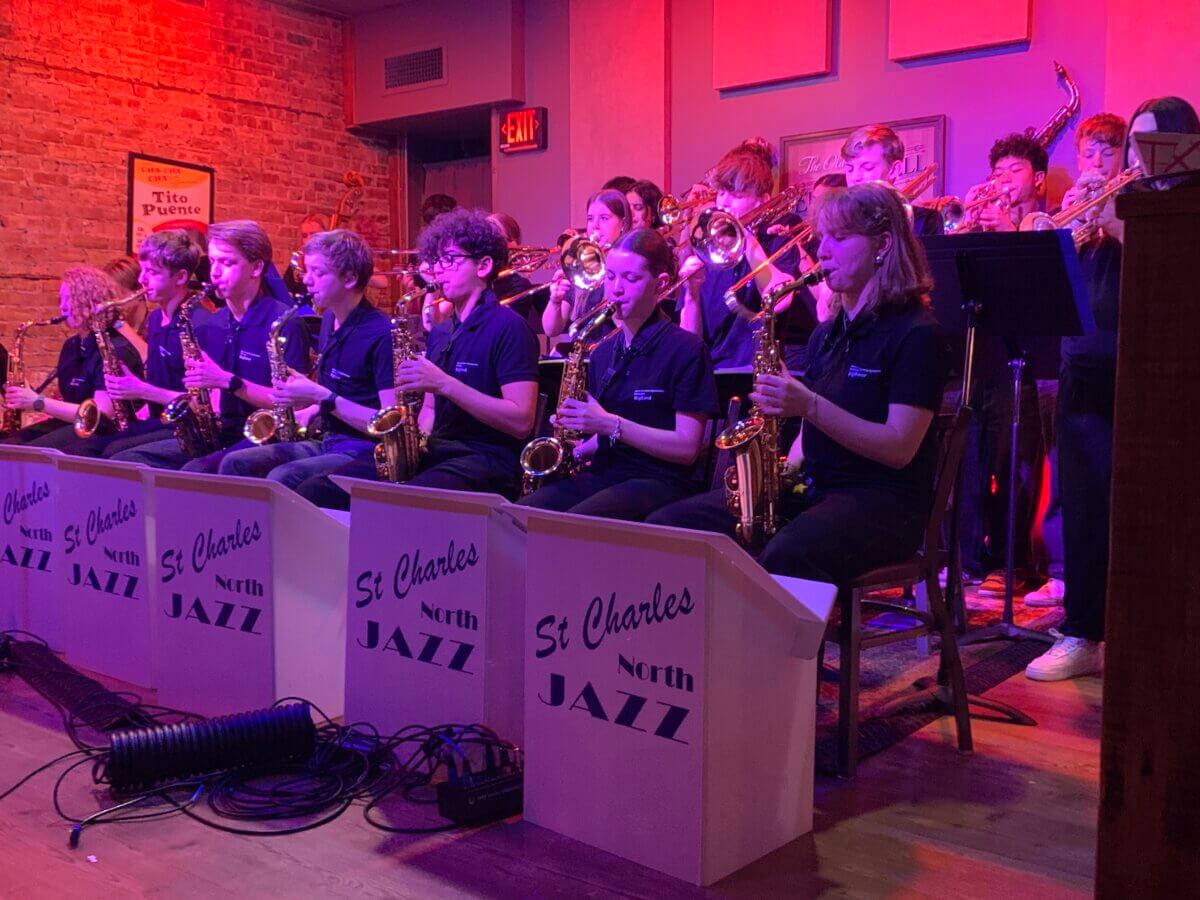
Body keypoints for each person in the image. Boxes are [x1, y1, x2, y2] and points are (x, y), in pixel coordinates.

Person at [648, 182, 943, 584]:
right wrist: (776, 475)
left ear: (883, 244)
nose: (823, 251)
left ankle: (771, 628)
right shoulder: (827, 334)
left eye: (840, 238)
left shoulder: (916, 332)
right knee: (672, 524)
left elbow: (898, 447)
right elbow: (809, 433)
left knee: (785, 556)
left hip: (881, 502)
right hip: (814, 487)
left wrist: (808, 405)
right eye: (823, 238)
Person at [1027, 95, 1200, 681]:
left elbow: (1172, 271)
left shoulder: (1184, 207)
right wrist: (1071, 228)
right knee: (1083, 507)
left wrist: (1113, 222)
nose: (1141, 158)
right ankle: (1082, 632)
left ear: (1184, 146)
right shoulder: (1113, 202)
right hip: (1084, 371)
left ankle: (1146, 633)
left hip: (1154, 376)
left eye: (1155, 144)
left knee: (1152, 512)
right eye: (1135, 145)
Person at [296, 209, 540, 508]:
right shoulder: (441, 331)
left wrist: (445, 384)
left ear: (483, 265)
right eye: (437, 261)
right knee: (320, 489)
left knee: (403, 503)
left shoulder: (509, 327)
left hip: (486, 457)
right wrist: (410, 444)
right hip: (438, 451)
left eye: (450, 260)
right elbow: (430, 409)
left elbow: (521, 421)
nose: (438, 271)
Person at [518, 228, 717, 520]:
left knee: (574, 524)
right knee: (522, 513)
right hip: (606, 472)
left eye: (630, 278)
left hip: (659, 479)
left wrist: (610, 424)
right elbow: (605, 436)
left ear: (661, 283)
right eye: (610, 277)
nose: (616, 290)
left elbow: (687, 448)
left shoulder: (686, 349)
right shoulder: (602, 352)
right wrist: (572, 445)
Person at [1025, 113, 1127, 608]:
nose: (1097, 161)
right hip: (1074, 360)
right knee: (1071, 479)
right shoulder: (1079, 211)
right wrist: (1066, 227)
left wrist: (1109, 216)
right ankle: (1069, 583)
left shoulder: (1134, 206)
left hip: (1121, 362)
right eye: (1089, 153)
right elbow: (1045, 283)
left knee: (1112, 484)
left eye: (1108, 151)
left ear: (1125, 156)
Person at [111, 220, 309, 471]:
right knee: (125, 459)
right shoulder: (214, 324)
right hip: (219, 433)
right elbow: (203, 399)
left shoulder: (283, 322)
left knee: (195, 470)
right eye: (213, 261)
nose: (214, 272)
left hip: (266, 436)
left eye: (226, 262)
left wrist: (228, 382)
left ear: (256, 267)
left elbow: (295, 403)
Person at [213, 228, 390, 489]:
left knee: (283, 476)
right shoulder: (329, 319)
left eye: (318, 272)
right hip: (326, 438)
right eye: (307, 271)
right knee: (235, 463)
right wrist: (309, 407)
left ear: (350, 278)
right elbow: (344, 392)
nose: (306, 280)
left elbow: (387, 423)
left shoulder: (381, 333)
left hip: (363, 449)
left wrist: (320, 396)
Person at [71, 231, 214, 459]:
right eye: (143, 270)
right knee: (85, 446)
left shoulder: (201, 324)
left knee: (114, 454)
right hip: (159, 421)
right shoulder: (156, 319)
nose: (142, 280)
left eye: (153, 272)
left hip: (188, 427)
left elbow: (202, 404)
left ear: (180, 277)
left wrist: (140, 390)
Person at [676, 138, 803, 369]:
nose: (724, 203)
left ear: (763, 201)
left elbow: (780, 302)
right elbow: (689, 342)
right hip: (711, 374)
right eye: (721, 192)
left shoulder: (778, 245)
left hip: (757, 375)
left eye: (737, 195)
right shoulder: (706, 251)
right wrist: (691, 295)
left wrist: (748, 240)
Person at [3, 266, 142, 448]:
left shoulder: (114, 348)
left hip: (103, 431)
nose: (63, 306)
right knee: (8, 445)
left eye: (71, 299)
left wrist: (37, 402)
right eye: (62, 299)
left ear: (92, 302)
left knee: (30, 452)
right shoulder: (72, 345)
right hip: (73, 424)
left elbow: (101, 415)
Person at [542, 190, 632, 345]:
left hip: (615, 352)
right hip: (581, 354)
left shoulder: (630, 267)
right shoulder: (582, 266)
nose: (595, 226)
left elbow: (625, 326)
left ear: (623, 224)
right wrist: (555, 300)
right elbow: (551, 330)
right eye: (590, 219)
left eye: (604, 218)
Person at [284, 213, 329, 298]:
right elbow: (285, 290)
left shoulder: (332, 264)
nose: (309, 240)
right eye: (304, 236)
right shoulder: (296, 263)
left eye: (314, 235)